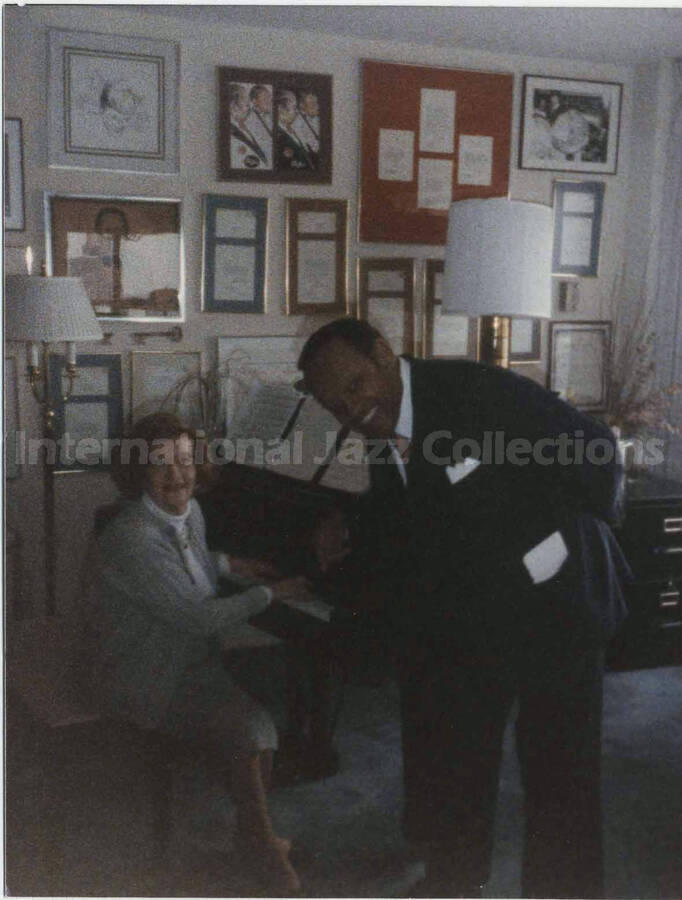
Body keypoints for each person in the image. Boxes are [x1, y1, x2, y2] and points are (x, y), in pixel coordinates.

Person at [297, 318, 631, 899]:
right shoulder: (380, 429)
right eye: (334, 404)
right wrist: (348, 523)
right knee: (456, 750)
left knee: (558, 770)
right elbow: (416, 504)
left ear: (382, 352)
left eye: (354, 386)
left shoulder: (479, 392)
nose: (349, 409)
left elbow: (598, 454)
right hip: (479, 612)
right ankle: (456, 880)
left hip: (560, 603)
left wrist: (558, 539)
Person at [78, 413, 303, 893]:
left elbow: (189, 562)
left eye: (184, 460)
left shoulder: (190, 512)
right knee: (246, 729)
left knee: (259, 727)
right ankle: (263, 846)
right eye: (160, 464)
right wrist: (271, 594)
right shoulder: (131, 537)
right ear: (138, 472)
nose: (177, 475)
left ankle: (251, 836)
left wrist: (228, 563)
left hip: (187, 662)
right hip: (138, 673)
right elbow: (198, 617)